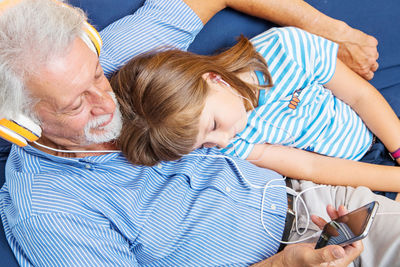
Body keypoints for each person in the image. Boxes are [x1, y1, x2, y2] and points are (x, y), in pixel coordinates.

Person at [0, 0, 392, 266]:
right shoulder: (48, 212)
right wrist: (283, 264)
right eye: (74, 105)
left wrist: (330, 32)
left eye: (97, 76)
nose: (106, 102)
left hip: (325, 210)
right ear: (21, 125)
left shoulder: (124, 57)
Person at [111, 26, 400, 201]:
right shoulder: (232, 144)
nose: (223, 142)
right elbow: (313, 168)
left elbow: (361, 96)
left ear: (213, 79)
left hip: (382, 130)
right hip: (354, 178)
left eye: (213, 125)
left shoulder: (286, 50)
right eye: (205, 144)